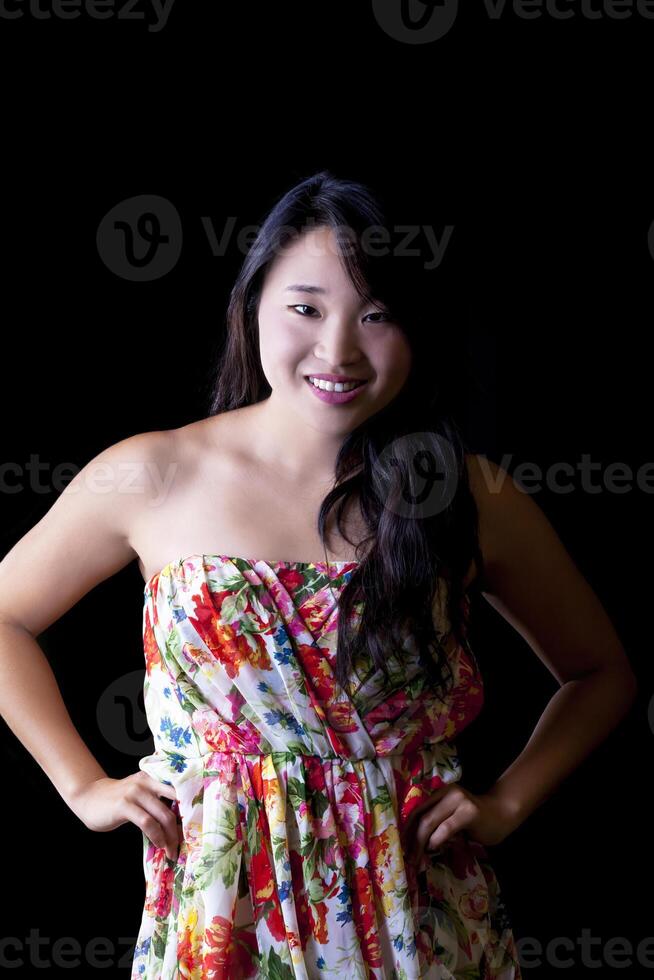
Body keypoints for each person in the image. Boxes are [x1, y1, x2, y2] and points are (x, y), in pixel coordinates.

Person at [0, 171, 637, 979]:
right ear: (254, 302)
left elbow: (600, 672)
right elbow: (3, 617)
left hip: (422, 918)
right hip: (221, 916)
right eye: (306, 308)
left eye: (377, 316)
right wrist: (83, 787)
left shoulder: (468, 494)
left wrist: (507, 803)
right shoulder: (153, 472)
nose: (337, 350)